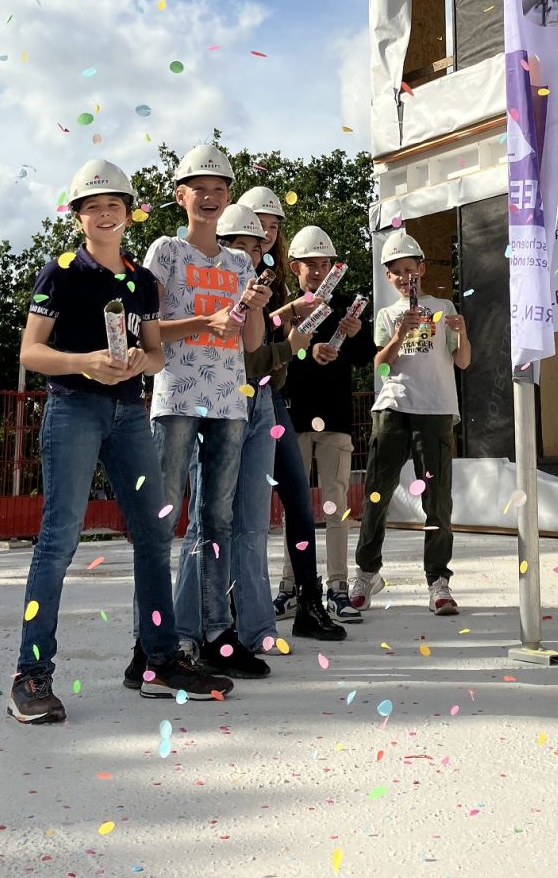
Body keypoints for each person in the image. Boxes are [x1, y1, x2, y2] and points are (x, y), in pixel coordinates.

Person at [10, 160, 232, 723]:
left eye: (115, 205)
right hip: (73, 410)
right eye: (93, 206)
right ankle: (31, 674)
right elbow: (31, 353)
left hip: (130, 411)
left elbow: (156, 352)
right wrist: (85, 362)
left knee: (156, 533)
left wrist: (139, 358)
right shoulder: (60, 271)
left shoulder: (141, 280)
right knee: (59, 537)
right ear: (79, 215)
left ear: (129, 213)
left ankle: (155, 662)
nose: (105, 214)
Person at [125, 143, 271, 688]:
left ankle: (217, 636)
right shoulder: (164, 251)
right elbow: (146, 330)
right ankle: (150, 646)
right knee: (160, 521)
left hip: (230, 400)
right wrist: (206, 321)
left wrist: (249, 311)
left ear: (229, 196)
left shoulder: (240, 262)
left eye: (219, 189)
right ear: (180, 196)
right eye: (198, 188)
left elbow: (251, 341)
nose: (209, 198)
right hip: (178, 398)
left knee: (220, 520)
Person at [236, 185, 347, 642]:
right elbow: (243, 328)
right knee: (239, 511)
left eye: (274, 224)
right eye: (260, 222)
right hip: (235, 396)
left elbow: (273, 335)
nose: (267, 231)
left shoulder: (275, 274)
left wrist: (297, 331)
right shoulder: (230, 269)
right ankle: (236, 609)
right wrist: (291, 322)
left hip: (271, 395)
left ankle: (309, 601)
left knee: (300, 503)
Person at [349, 229, 471, 616]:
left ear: (421, 268)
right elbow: (382, 364)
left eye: (410, 269)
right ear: (389, 277)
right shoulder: (386, 314)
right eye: (396, 272)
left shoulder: (442, 305)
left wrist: (462, 333)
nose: (405, 278)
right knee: (376, 493)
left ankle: (438, 581)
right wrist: (400, 333)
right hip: (393, 406)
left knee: (437, 500)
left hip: (435, 409)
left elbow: (463, 361)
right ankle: (367, 573)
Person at [277, 225, 375, 623]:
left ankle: (337, 587)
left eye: (324, 265)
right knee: (292, 508)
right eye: (309, 265)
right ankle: (291, 587)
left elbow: (365, 356)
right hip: (294, 417)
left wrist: (355, 333)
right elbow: (273, 356)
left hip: (335, 420)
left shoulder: (346, 308)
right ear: (294, 266)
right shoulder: (283, 309)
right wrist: (307, 349)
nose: (317, 272)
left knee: (335, 505)